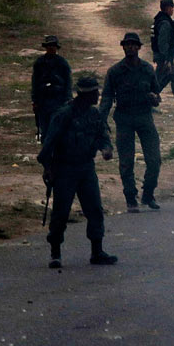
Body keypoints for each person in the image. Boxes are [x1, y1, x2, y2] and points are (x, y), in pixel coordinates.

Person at [38, 75, 117, 268]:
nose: (97, 95)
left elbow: (102, 136)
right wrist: (48, 169)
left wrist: (106, 149)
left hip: (86, 167)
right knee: (60, 213)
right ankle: (55, 252)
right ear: (84, 95)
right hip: (64, 168)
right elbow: (48, 145)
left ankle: (97, 251)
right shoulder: (63, 115)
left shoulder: (95, 114)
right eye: (94, 93)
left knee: (95, 209)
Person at [99, 31, 163, 212]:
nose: (130, 47)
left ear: (139, 47)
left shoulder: (147, 69)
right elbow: (106, 98)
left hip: (144, 117)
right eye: (127, 44)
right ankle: (130, 198)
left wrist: (154, 98)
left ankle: (148, 194)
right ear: (123, 47)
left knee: (155, 160)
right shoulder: (115, 72)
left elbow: (157, 94)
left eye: (133, 44)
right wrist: (99, 120)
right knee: (126, 162)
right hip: (124, 118)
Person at [31, 34, 71, 142]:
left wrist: (68, 99)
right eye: (49, 46)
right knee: (44, 128)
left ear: (56, 48)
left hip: (58, 100)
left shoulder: (62, 63)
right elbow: (35, 82)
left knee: (57, 128)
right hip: (43, 101)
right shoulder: (39, 63)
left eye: (53, 45)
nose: (51, 48)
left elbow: (68, 82)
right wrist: (34, 100)